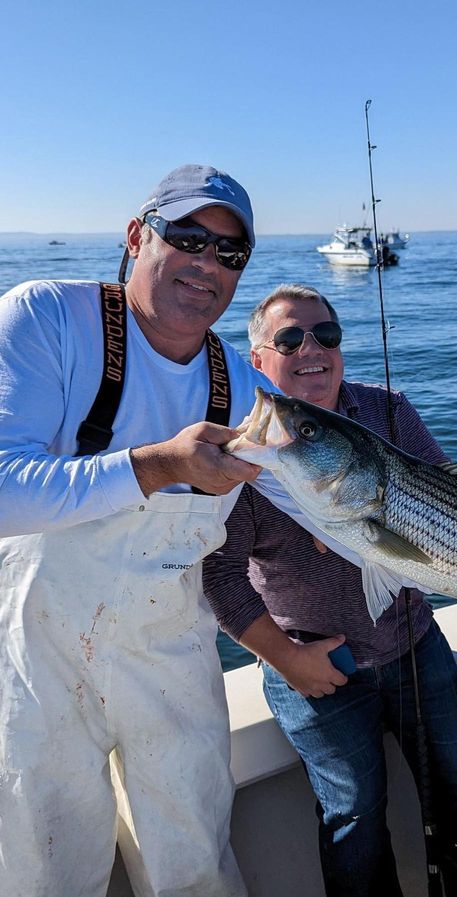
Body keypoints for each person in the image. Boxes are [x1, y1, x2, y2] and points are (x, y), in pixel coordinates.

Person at [203, 285, 457, 897]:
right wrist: (288, 660)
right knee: (352, 817)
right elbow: (219, 577)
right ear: (257, 357)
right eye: (290, 339)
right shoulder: (243, 456)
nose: (312, 349)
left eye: (326, 335)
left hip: (415, 645)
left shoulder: (387, 409)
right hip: (315, 666)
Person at [0, 164, 283, 897]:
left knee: (195, 863)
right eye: (189, 237)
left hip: (171, 656)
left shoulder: (248, 391)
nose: (207, 264)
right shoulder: (48, 318)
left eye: (230, 253)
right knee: (44, 866)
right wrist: (160, 464)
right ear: (136, 235)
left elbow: (353, 511)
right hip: (38, 660)